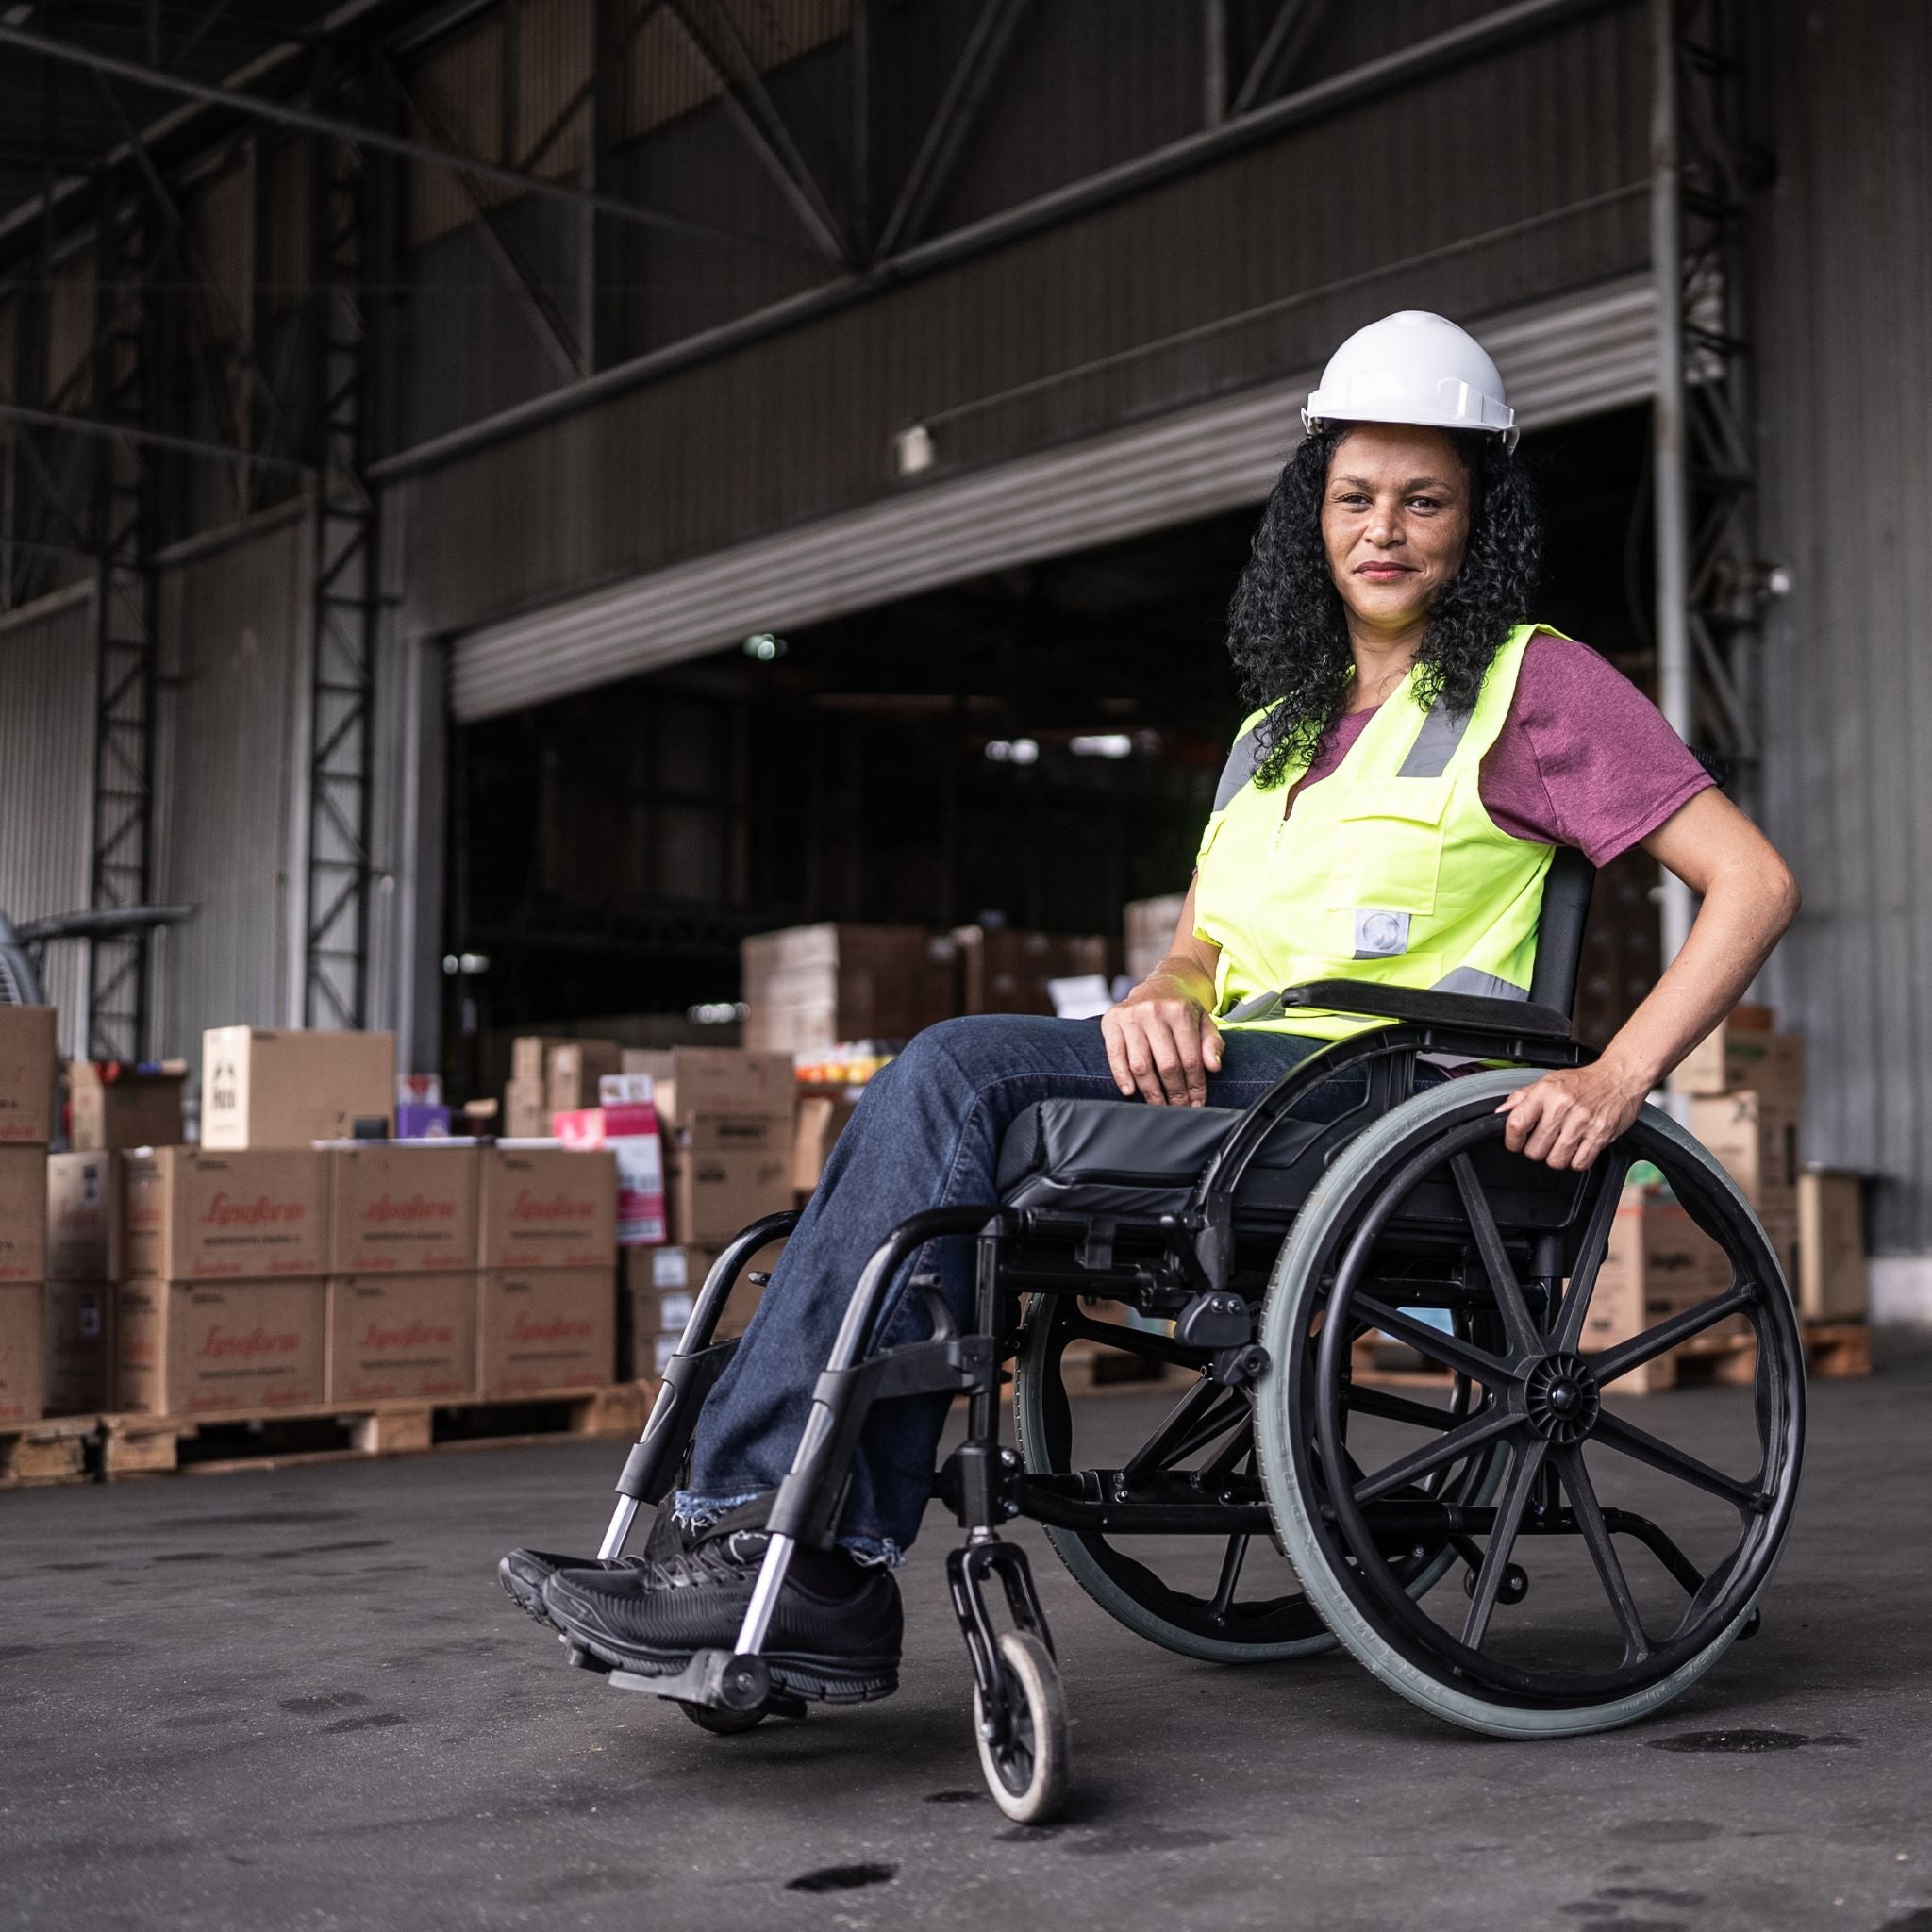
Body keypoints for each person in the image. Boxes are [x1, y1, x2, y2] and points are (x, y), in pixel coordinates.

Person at [499, 310, 1799, 1704]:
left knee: (951, 1075)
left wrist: (1616, 1079)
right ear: (1313, 517)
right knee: (938, 1171)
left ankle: (771, 1541)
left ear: (1477, 522)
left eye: (1425, 501)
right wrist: (1164, 994)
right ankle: (791, 1563)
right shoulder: (1274, 731)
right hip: (1246, 1082)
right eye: (1355, 499)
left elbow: (1754, 881)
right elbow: (1203, 945)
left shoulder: (1533, 685)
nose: (1385, 529)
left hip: (1379, 1099)